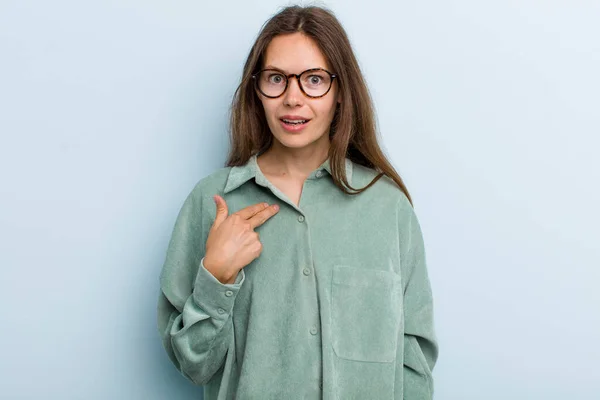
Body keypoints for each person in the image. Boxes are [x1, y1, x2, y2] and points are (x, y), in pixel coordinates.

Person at [157, 4, 438, 399]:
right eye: (276, 79)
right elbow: (193, 365)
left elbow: (414, 364)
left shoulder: (389, 209)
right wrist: (215, 277)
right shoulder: (211, 203)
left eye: (314, 80)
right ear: (257, 90)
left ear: (340, 92)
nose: (293, 98)